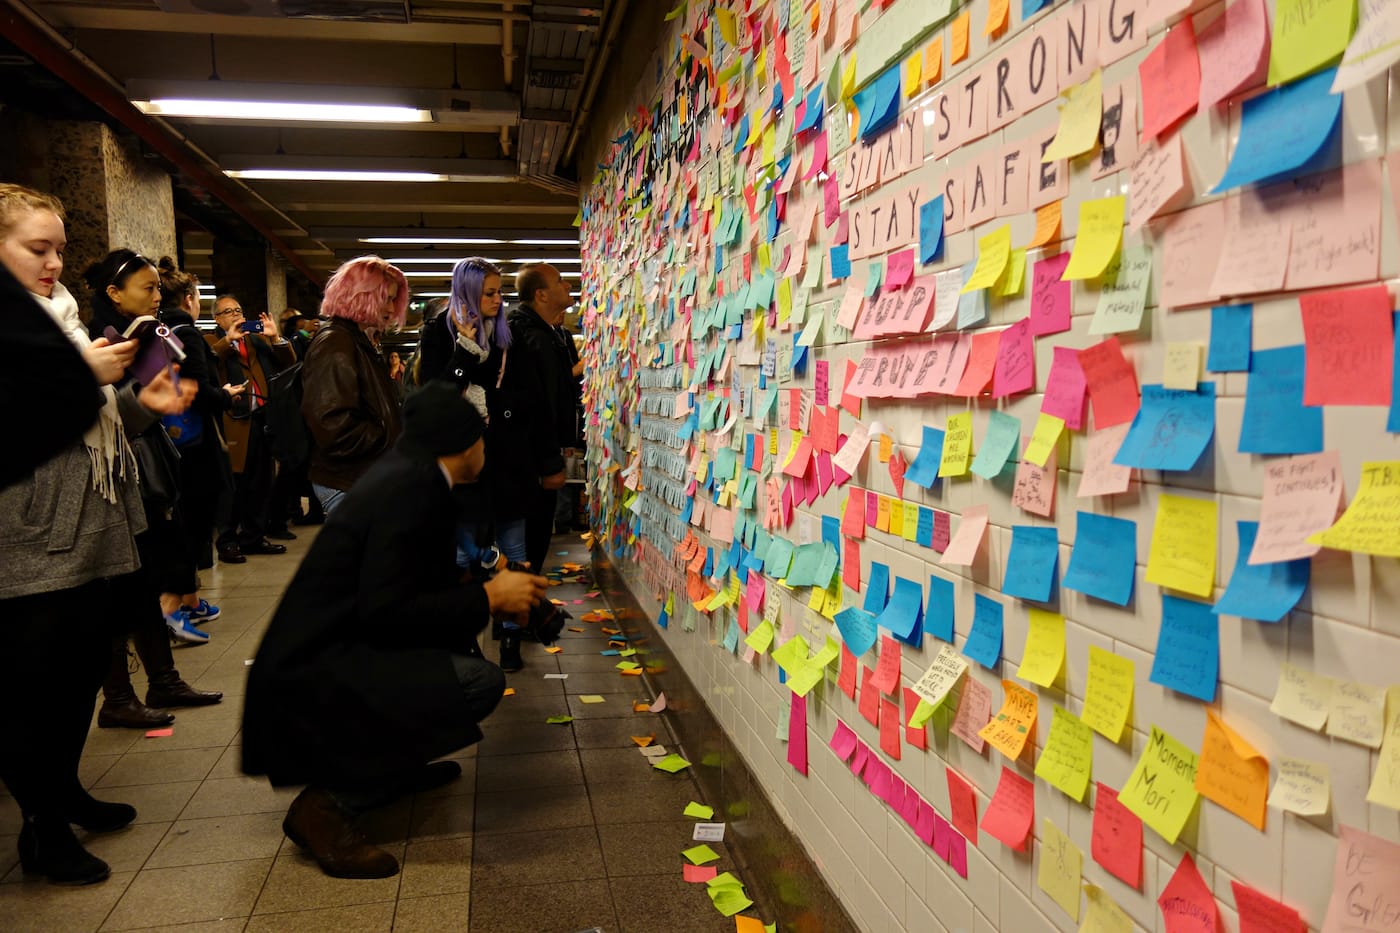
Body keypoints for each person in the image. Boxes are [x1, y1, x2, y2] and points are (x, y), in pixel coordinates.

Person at [242, 381, 549, 879]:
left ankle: (392, 770)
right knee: (478, 683)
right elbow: (388, 609)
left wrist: (484, 597)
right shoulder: (410, 492)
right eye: (483, 439)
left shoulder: (413, 477)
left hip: (332, 652)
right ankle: (325, 808)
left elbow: (411, 587)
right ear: (464, 445)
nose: (486, 448)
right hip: (314, 672)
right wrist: (487, 599)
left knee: (458, 670)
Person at [0, 185, 194, 884]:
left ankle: (65, 790)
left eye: (58, 248)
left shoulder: (63, 320)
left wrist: (144, 403)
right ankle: (43, 828)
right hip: (30, 536)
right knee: (34, 688)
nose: (54, 263)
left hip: (94, 526)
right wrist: (84, 377)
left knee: (80, 672)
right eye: (35, 248)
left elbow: (96, 427)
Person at [83, 249, 224, 724]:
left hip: (145, 470)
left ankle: (163, 681)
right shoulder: (94, 340)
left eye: (159, 287)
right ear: (113, 293)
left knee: (143, 581)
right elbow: (110, 415)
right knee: (116, 592)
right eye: (148, 288)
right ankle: (119, 699)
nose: (158, 296)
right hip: (112, 478)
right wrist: (154, 395)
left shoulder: (141, 334)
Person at [416, 257, 533, 670]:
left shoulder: (507, 335)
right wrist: (465, 350)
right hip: (464, 465)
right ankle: (463, 643)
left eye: (501, 292)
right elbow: (438, 394)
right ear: (467, 292)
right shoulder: (437, 334)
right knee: (464, 557)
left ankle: (510, 639)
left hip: (505, 461)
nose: (499, 301)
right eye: (490, 293)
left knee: (514, 550)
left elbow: (519, 395)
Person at [156, 257, 242, 587]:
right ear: (190, 298)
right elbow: (198, 389)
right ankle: (180, 596)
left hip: (170, 432)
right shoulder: (188, 334)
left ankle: (187, 596)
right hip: (196, 437)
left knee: (182, 513)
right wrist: (224, 395)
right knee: (199, 513)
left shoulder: (160, 330)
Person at [301, 256, 407, 515]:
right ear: (361, 296)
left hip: (358, 477)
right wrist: (385, 435)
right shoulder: (336, 342)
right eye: (386, 298)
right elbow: (332, 425)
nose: (392, 308)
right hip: (349, 481)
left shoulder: (354, 340)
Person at [207, 293, 296, 561]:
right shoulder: (212, 341)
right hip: (234, 422)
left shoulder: (257, 341)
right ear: (217, 318)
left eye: (239, 309)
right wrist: (228, 340)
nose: (236, 315)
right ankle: (227, 540)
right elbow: (210, 362)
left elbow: (289, 362)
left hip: (263, 419)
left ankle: (254, 537)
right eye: (228, 311)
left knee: (261, 482)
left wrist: (275, 337)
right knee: (235, 485)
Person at [506, 263, 571, 576]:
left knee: (526, 544)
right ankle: (519, 617)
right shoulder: (535, 340)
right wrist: (549, 462)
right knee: (531, 542)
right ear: (542, 295)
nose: (568, 285)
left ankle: (519, 615)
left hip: (525, 459)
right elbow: (540, 405)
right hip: (531, 464)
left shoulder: (538, 334)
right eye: (560, 281)